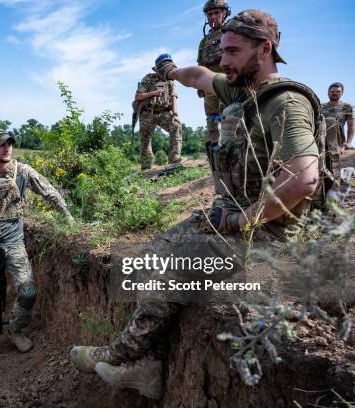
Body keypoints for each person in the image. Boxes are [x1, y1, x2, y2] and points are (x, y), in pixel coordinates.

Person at [71, 9, 321, 400]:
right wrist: (170, 71)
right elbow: (198, 77)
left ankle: (121, 355)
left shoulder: (285, 102)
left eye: (232, 51)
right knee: (147, 258)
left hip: (266, 234)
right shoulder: (241, 89)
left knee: (172, 272)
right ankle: (149, 367)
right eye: (222, 51)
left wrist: (242, 220)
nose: (223, 61)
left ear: (265, 49)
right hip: (228, 218)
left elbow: (304, 179)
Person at [0, 129, 73, 362]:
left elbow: (49, 191)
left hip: (14, 240)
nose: (7, 149)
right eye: (1, 145)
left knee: (28, 290)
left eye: (10, 144)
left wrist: (67, 216)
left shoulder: (22, 171)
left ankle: (16, 330)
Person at [198, 0, 230, 190]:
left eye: (216, 13)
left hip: (228, 84)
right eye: (209, 14)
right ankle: (216, 170)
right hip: (209, 88)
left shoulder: (233, 32)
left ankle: (234, 166)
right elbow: (200, 64)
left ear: (224, 13)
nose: (212, 17)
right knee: (212, 123)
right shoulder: (205, 41)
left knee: (231, 124)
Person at [134, 62, 182, 169]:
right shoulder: (148, 78)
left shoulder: (171, 81)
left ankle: (174, 162)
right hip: (147, 113)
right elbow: (138, 96)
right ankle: (146, 167)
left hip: (163, 113)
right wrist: (153, 93)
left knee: (176, 126)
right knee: (145, 141)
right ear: (158, 70)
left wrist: (175, 114)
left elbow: (173, 97)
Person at [320, 82, 355, 150]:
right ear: (328, 93)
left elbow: (351, 126)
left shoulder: (347, 107)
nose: (335, 93)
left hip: (338, 140)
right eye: (332, 91)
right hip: (321, 138)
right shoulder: (320, 107)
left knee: (331, 121)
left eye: (338, 91)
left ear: (342, 93)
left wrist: (349, 142)